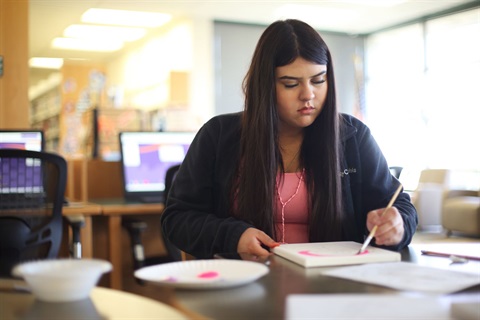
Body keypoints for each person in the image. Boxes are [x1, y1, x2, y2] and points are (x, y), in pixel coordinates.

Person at [161, 19, 417, 259]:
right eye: (291, 84)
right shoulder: (219, 135)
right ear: (265, 86)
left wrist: (398, 225)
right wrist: (233, 236)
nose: (308, 95)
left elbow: (400, 207)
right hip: (246, 282)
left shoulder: (353, 137)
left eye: (318, 80)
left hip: (330, 284)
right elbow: (178, 218)